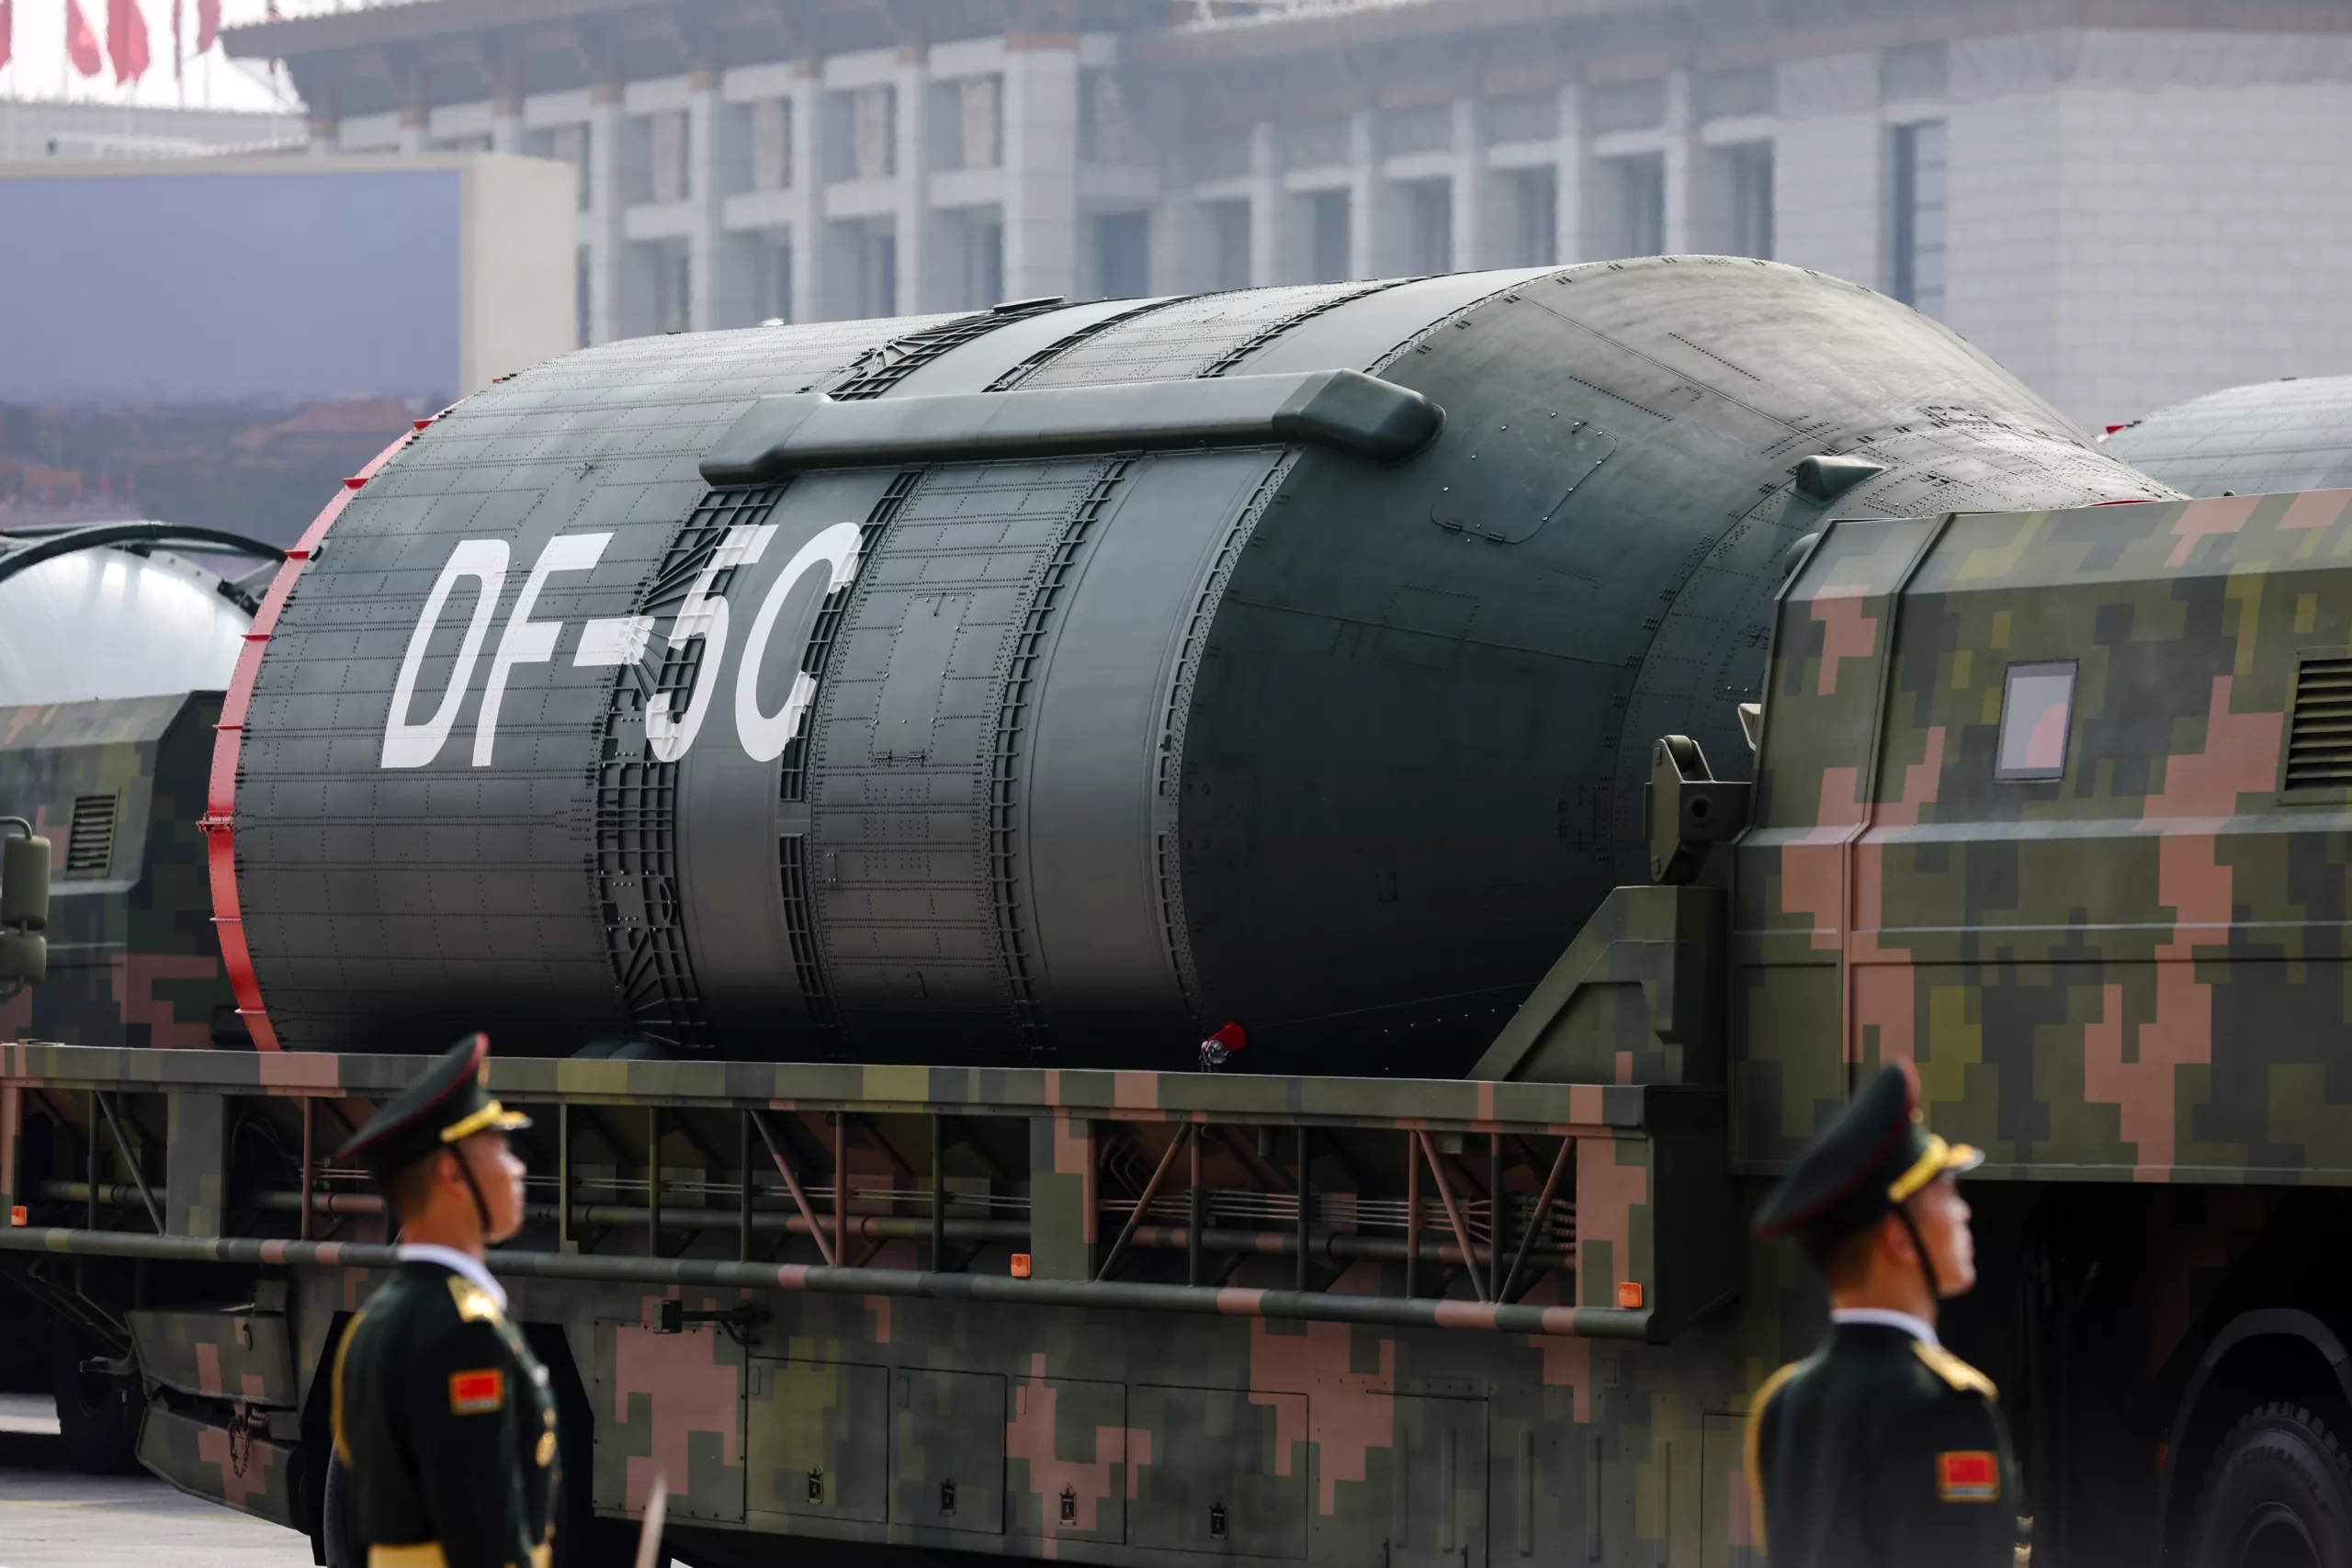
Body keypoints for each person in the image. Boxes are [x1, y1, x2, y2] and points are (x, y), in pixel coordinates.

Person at [1744, 1062, 2030, 1567]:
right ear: (1899, 1238)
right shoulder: (1945, 1410)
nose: (1963, 1211)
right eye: (1946, 1191)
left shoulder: (1784, 1404)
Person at [330, 1032, 561, 1568]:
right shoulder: (462, 1334)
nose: (518, 1169)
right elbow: (482, 1533)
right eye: (501, 1149)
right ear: (453, 1173)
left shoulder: (371, 1325)